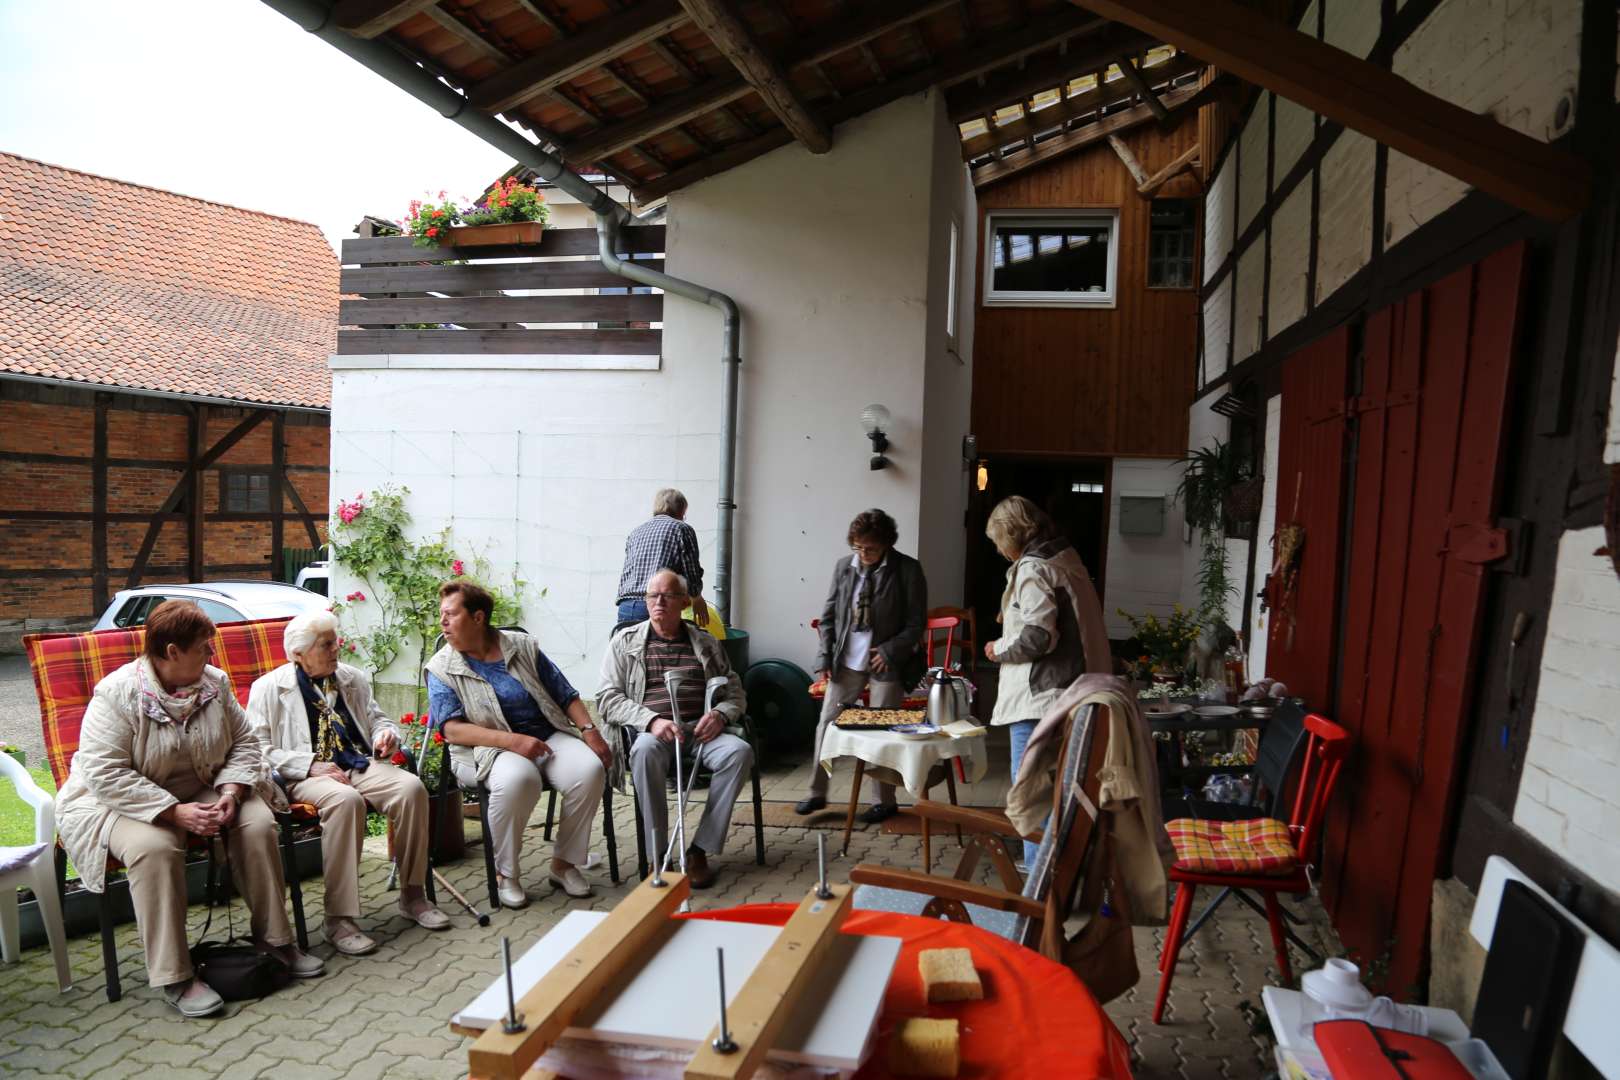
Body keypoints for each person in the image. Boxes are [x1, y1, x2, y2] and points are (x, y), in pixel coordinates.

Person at [54, 600, 322, 1017]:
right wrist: (172, 812)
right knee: (155, 848)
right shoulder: (117, 694)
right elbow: (104, 774)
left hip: (204, 786)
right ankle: (174, 974)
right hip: (122, 801)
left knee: (255, 823)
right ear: (172, 652)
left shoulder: (215, 683)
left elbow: (246, 744)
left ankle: (275, 940)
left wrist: (230, 794)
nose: (212, 655)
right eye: (204, 647)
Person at [247, 610, 449, 956]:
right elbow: (256, 750)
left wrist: (388, 734)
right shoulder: (268, 688)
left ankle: (413, 894)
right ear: (299, 653)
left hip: (357, 762)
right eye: (326, 645)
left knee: (411, 788)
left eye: (335, 641)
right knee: (345, 801)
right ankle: (338, 919)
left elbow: (377, 719)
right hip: (302, 776)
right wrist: (308, 764)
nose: (336, 649)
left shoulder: (351, 678)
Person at [425, 582, 612, 907]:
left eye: (451, 614)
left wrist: (589, 730)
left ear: (478, 617)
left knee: (589, 770)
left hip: (546, 733)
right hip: (484, 749)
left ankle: (563, 864)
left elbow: (563, 692)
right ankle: (505, 875)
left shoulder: (521, 646)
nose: (442, 622)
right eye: (441, 615)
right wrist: (513, 741)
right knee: (519, 779)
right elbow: (453, 731)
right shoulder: (442, 668)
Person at [597, 569, 751, 888]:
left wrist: (721, 714)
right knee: (643, 751)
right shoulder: (624, 643)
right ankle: (659, 855)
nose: (659, 602)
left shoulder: (706, 643)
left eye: (667, 596)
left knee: (739, 753)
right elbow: (607, 699)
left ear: (683, 602)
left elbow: (735, 691)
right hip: (653, 733)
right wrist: (651, 721)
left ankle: (699, 851)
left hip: (700, 731)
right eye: (653, 596)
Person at [982, 495, 1112, 864]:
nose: (999, 550)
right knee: (1062, 790)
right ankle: (1062, 878)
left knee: (1033, 795)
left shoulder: (1035, 569)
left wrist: (999, 648)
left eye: (998, 542)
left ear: (1011, 536)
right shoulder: (1066, 558)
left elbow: (1039, 636)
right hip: (1078, 690)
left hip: (1043, 699)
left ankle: (1040, 888)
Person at [796, 508, 927, 822]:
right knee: (827, 724)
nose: (863, 553)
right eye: (857, 547)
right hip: (847, 661)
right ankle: (817, 793)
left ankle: (884, 801)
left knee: (881, 730)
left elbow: (916, 623)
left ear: (886, 544)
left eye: (870, 548)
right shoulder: (844, 567)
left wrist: (891, 650)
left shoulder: (907, 570)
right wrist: (824, 659)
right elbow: (828, 618)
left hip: (886, 663)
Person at [614, 488, 708, 629]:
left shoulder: (636, 532)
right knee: (665, 650)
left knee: (628, 650)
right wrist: (697, 598)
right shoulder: (681, 529)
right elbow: (691, 570)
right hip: (656, 605)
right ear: (681, 511)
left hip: (626, 607)